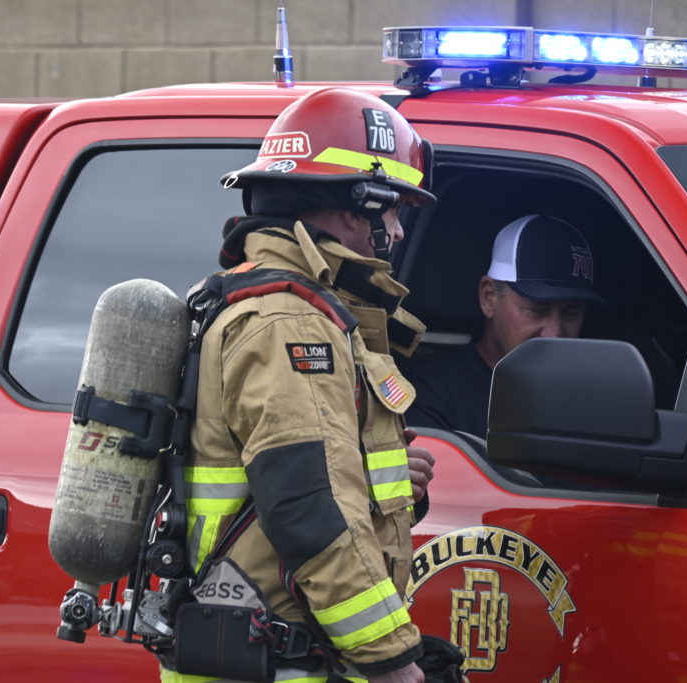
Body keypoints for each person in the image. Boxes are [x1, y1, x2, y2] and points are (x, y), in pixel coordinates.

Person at [161, 87, 438, 683]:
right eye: (394, 210)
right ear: (357, 206)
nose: (398, 231)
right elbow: (309, 505)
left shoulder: (284, 308)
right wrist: (391, 660)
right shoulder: (289, 323)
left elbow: (299, 472)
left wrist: (378, 476)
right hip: (281, 662)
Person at [405, 214, 605, 438]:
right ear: (489, 298)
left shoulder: (596, 397)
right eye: (538, 309)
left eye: (571, 312)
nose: (554, 333)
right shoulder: (432, 393)